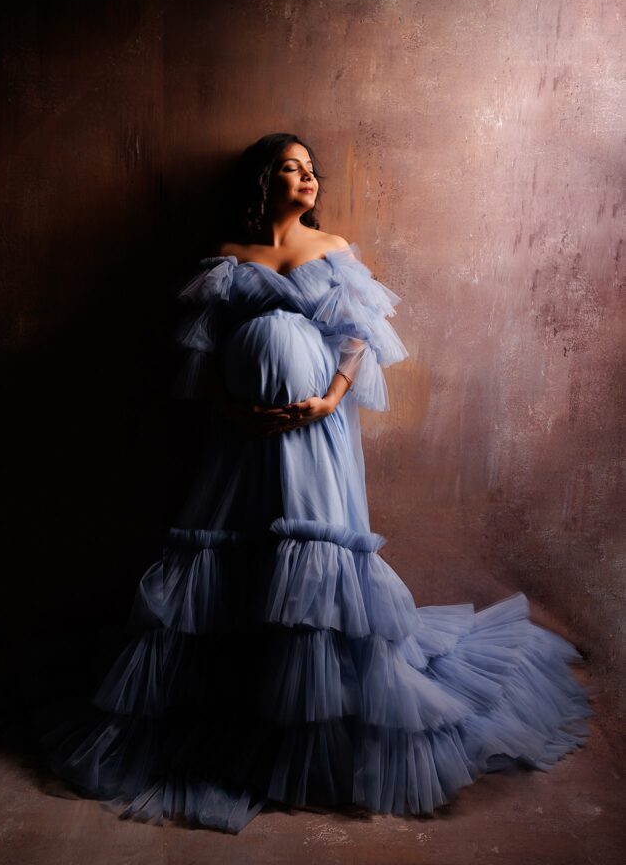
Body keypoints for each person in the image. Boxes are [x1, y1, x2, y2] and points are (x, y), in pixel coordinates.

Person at [36, 133, 592, 834]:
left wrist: (328, 398)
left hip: (314, 432)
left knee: (311, 562)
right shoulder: (228, 260)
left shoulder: (330, 248)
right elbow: (202, 357)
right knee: (234, 553)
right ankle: (240, 702)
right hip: (242, 440)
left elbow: (355, 334)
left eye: (310, 169)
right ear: (263, 180)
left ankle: (311, 723)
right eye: (291, 168)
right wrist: (237, 408)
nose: (307, 178)